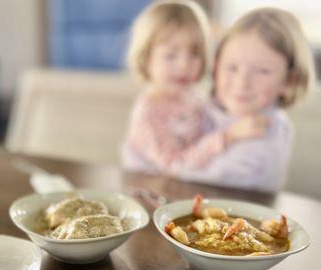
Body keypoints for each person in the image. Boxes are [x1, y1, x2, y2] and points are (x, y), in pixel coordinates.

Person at [180, 7, 316, 192]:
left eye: (262, 71)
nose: (241, 82)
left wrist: (226, 137)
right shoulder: (208, 107)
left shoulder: (268, 129)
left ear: (289, 80)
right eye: (232, 67)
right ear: (216, 66)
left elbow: (202, 178)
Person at [121, 0, 263, 174]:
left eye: (194, 54)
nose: (184, 65)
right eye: (171, 56)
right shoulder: (149, 112)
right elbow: (175, 166)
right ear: (146, 59)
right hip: (154, 192)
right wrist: (228, 137)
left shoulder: (194, 95)